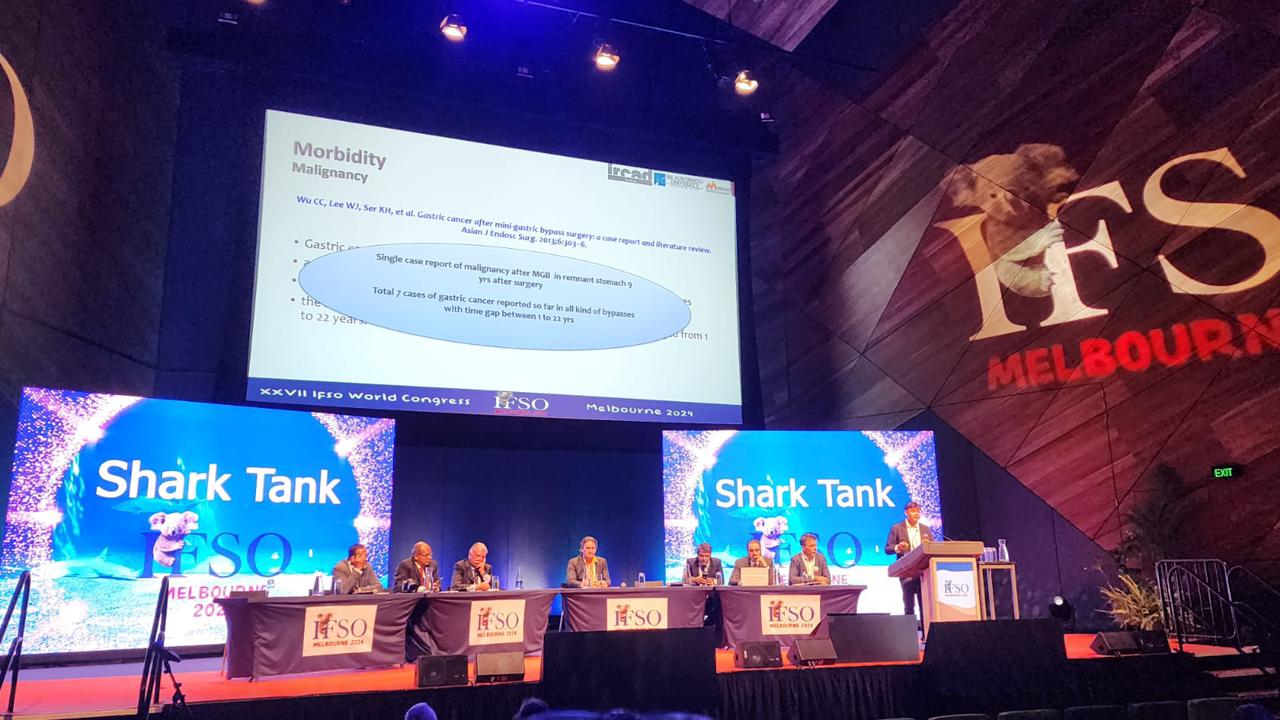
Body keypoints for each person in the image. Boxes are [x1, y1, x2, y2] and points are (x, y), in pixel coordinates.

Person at [885, 501, 934, 617]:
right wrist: (898, 547)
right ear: (906, 512)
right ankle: (910, 628)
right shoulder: (897, 528)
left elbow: (933, 548)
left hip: (923, 571)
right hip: (907, 572)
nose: (916, 514)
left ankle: (926, 628)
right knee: (909, 605)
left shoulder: (925, 529)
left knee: (925, 605)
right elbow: (887, 549)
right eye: (913, 511)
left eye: (918, 511)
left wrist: (928, 545)